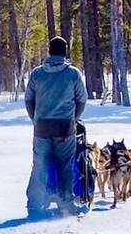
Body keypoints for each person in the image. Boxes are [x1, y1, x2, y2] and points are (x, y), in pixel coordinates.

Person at [25, 36, 88, 218]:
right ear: (65, 51)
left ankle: (34, 205)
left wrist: (35, 118)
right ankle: (66, 204)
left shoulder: (37, 74)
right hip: (65, 129)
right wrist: (73, 118)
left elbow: (29, 99)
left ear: (50, 51)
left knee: (39, 166)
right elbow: (81, 100)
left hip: (42, 128)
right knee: (65, 167)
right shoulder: (73, 74)